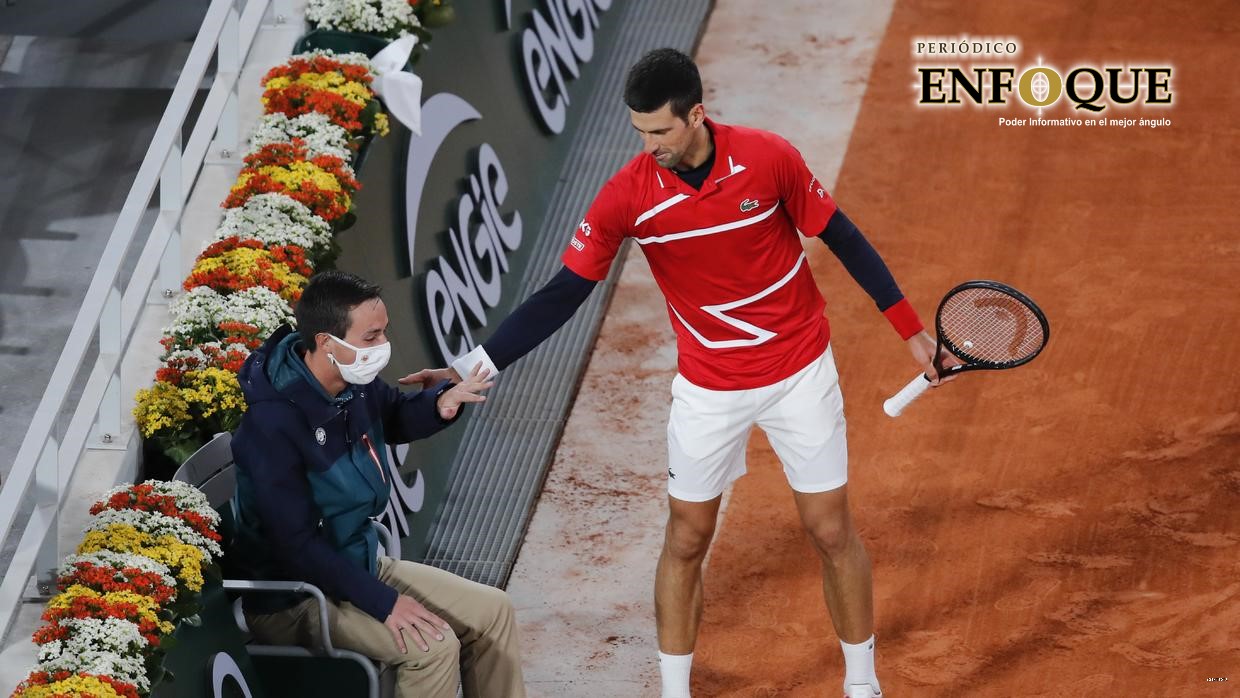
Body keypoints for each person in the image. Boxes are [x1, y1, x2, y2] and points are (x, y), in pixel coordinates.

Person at [446, 48, 959, 698]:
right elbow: (563, 294)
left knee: (831, 529)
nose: (649, 145)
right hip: (709, 389)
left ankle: (862, 683)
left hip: (799, 370)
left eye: (660, 131)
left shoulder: (769, 158)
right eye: (640, 133)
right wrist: (478, 362)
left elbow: (844, 237)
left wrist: (910, 329)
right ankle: (675, 692)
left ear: (697, 115)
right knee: (687, 537)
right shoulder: (628, 197)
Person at [229, 270, 526, 698]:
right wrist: (384, 603)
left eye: (384, 332)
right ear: (327, 342)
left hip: (356, 562)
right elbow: (294, 545)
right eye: (371, 337)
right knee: (432, 645)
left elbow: (396, 416)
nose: (382, 347)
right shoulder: (272, 424)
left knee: (493, 612)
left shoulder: (354, 383)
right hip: (295, 595)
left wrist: (440, 405)